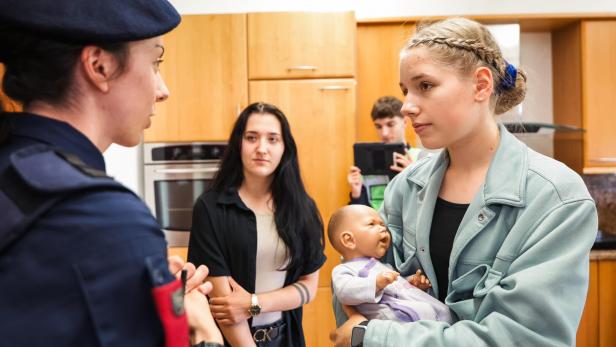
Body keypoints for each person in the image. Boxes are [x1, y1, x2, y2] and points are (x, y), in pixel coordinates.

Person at [331, 17, 598, 347]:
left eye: (425, 86)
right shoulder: (405, 188)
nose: (407, 106)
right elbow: (355, 293)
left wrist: (375, 335)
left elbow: (527, 339)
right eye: (405, 90)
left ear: (482, 85)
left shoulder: (555, 199)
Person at [0, 1, 223, 346]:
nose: (162, 90)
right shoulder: (104, 219)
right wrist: (205, 331)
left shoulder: (13, 166)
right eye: (155, 62)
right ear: (99, 66)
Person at [187, 102, 327, 347]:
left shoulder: (302, 208)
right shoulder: (210, 208)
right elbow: (225, 306)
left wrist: (253, 303)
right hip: (231, 340)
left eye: (273, 139)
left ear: (285, 148)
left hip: (287, 338)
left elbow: (308, 286)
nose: (262, 148)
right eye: (252, 138)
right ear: (238, 144)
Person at [328, 204, 452, 323]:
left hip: (420, 316)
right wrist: (375, 284)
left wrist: (411, 283)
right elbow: (344, 292)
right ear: (349, 240)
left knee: (443, 312)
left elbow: (395, 287)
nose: (383, 228)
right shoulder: (344, 270)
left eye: (382, 224)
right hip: (394, 321)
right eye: (372, 224)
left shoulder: (383, 266)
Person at [348, 96, 421, 209]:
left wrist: (414, 177)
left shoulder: (421, 159)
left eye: (390, 124)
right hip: (378, 225)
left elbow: (430, 208)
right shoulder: (366, 164)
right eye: (378, 126)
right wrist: (356, 194)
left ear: (405, 122)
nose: (384, 133)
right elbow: (360, 215)